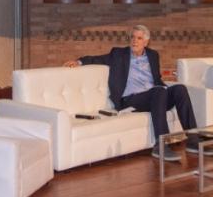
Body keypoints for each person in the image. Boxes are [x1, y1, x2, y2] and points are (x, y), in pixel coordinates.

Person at [64, 25, 203, 162]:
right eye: (132, 37)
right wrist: (79, 61)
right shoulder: (119, 54)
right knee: (159, 91)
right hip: (131, 100)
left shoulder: (153, 55)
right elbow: (98, 58)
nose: (134, 41)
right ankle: (161, 145)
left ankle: (193, 141)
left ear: (146, 42)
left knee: (180, 89)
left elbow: (157, 79)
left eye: (139, 38)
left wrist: (165, 89)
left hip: (155, 97)